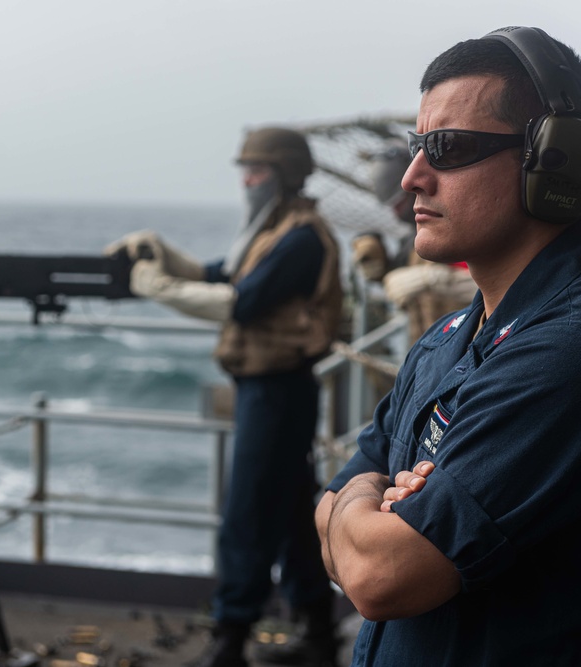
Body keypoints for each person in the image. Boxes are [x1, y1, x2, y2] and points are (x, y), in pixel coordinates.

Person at [315, 26, 581, 666]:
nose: (411, 179)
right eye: (416, 146)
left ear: (553, 159)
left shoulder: (579, 350)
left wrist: (366, 508)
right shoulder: (447, 341)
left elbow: (376, 575)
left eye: (448, 148)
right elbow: (332, 525)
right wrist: (364, 501)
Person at [105, 127, 343, 667]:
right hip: (270, 389)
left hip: (277, 391)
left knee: (247, 513)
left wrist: (156, 286)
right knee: (286, 514)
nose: (246, 180)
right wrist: (163, 254)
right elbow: (222, 272)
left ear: (281, 176)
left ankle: (229, 641)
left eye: (255, 170)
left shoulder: (302, 237)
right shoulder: (275, 230)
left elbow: (244, 299)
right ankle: (319, 634)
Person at [351, 141, 478, 342]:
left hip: (467, 343)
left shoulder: (461, 229)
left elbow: (494, 283)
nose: (396, 212)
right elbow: (400, 283)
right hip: (430, 347)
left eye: (400, 202)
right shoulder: (413, 239)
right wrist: (378, 266)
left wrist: (434, 279)